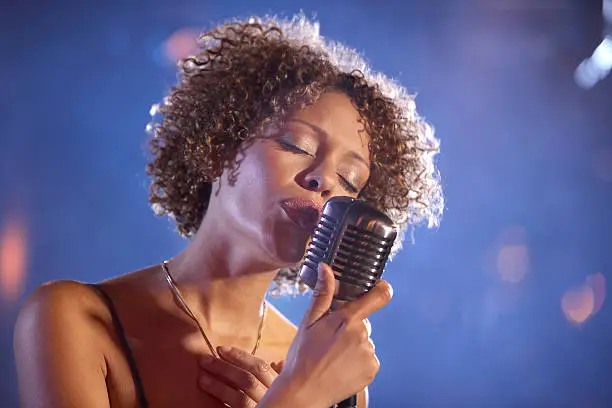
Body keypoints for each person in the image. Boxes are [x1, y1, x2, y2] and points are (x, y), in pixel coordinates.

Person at [14, 13, 443, 408]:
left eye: (349, 181)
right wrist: (294, 398)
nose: (324, 181)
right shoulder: (72, 318)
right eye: (297, 145)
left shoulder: (328, 367)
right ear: (219, 148)